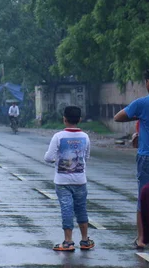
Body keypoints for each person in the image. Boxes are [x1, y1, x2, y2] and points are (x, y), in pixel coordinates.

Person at [114, 68, 149, 249]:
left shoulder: (142, 103)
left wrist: (140, 116)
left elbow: (118, 117)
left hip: (148, 158)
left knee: (144, 198)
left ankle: (142, 238)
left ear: (148, 82)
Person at [44, 106, 94, 251]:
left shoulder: (58, 136)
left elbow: (48, 157)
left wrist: (56, 160)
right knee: (81, 208)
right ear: (79, 120)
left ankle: (68, 242)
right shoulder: (85, 137)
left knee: (67, 209)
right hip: (80, 180)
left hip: (62, 181)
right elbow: (86, 157)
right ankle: (85, 240)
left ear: (64, 119)